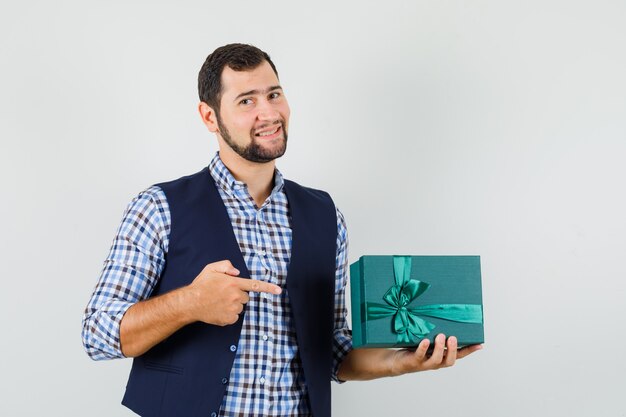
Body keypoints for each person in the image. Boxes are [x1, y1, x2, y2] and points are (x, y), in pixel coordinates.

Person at [82, 43, 482, 417]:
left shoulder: (326, 215)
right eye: (246, 101)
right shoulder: (158, 207)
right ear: (209, 117)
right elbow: (98, 334)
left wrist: (403, 361)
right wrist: (189, 303)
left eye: (274, 94)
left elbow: (333, 349)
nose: (269, 113)